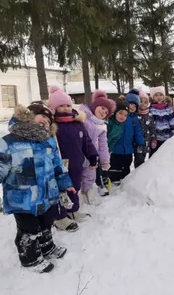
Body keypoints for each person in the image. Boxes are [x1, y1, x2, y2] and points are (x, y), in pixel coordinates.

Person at [0, 102, 75, 273]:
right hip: (22, 199)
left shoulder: (48, 142)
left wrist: (66, 184)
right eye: (42, 116)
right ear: (28, 115)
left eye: (49, 120)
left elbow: (58, 166)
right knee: (29, 229)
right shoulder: (8, 142)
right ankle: (30, 258)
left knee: (46, 223)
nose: (46, 121)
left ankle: (47, 247)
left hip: (46, 194)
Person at [48, 86, 98, 229]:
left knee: (74, 187)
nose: (66, 109)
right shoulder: (52, 126)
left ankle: (73, 210)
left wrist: (93, 155)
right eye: (61, 106)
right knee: (61, 190)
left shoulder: (78, 123)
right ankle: (60, 217)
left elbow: (86, 142)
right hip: (59, 166)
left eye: (68, 105)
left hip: (76, 164)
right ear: (54, 108)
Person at [80, 90, 115, 201]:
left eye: (106, 113)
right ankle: (78, 197)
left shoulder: (102, 126)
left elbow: (103, 145)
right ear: (95, 106)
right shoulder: (83, 117)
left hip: (92, 157)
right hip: (79, 153)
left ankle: (87, 195)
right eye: (102, 108)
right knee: (77, 176)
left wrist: (105, 160)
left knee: (90, 176)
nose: (103, 112)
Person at [149, 86, 174, 156]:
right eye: (156, 95)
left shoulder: (168, 109)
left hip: (166, 138)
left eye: (161, 95)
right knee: (153, 157)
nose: (159, 97)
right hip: (155, 139)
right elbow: (149, 124)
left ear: (164, 96)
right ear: (153, 97)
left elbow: (172, 122)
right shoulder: (151, 109)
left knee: (165, 156)